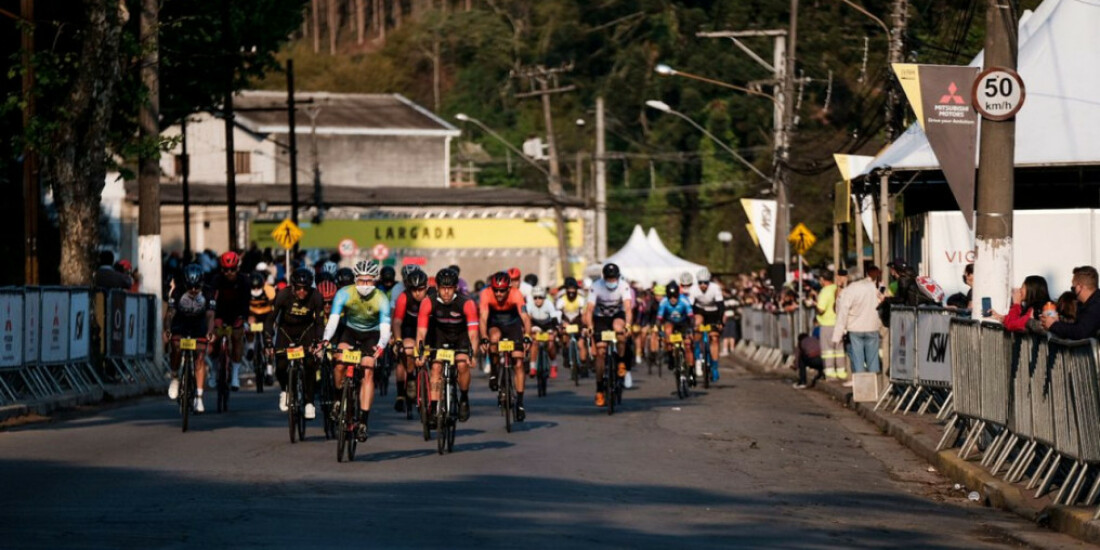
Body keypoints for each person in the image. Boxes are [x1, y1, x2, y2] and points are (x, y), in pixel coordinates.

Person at [322, 260, 392, 442]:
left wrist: (381, 346)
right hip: (350, 332)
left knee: (368, 369)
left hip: (372, 334)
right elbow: (333, 321)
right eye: (361, 280)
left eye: (369, 281)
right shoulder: (344, 293)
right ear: (355, 280)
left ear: (375, 281)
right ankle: (338, 399)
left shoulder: (381, 298)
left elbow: (385, 328)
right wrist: (325, 339)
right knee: (339, 361)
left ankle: (363, 422)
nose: (365, 285)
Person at [417, 268, 480, 422]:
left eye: (450, 288)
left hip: (461, 336)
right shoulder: (428, 302)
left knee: (462, 365)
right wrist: (420, 353)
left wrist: (473, 354)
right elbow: (421, 332)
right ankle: (434, 407)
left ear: (456, 288)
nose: (446, 292)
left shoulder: (467, 303)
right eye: (443, 288)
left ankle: (463, 397)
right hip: (439, 336)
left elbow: (473, 334)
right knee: (436, 368)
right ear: (437, 288)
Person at [264, 268, 326, 420]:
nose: (302, 292)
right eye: (298, 288)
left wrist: (318, 341)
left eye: (305, 288)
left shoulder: (316, 296)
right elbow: (270, 319)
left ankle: (309, 403)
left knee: (310, 364)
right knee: (281, 365)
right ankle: (285, 390)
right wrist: (268, 341)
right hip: (286, 331)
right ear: (293, 286)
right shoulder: (283, 295)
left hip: (306, 331)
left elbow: (319, 322)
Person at [479, 271, 532, 421]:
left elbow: (525, 317)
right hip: (495, 323)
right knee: (493, 339)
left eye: (502, 290)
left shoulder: (516, 294)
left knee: (519, 362)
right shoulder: (486, 294)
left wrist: (527, 336)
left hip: (512, 324)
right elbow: (483, 318)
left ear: (508, 288)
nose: (499, 294)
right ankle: (494, 371)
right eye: (496, 290)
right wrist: (484, 337)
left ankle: (520, 403)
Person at [164, 264, 214, 412]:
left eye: (196, 287)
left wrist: (210, 332)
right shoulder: (178, 291)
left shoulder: (208, 292)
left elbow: (210, 316)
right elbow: (170, 314)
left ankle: (199, 397)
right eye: (190, 287)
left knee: (200, 357)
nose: (193, 290)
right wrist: (167, 329)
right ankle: (174, 377)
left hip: (199, 324)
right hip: (181, 323)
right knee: (176, 346)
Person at [584, 263, 633, 407]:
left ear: (618, 277)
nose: (611, 281)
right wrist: (590, 326)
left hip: (617, 316)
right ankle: (599, 389)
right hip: (600, 318)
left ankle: (621, 361)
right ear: (604, 277)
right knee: (600, 351)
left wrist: (628, 325)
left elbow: (628, 308)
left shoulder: (623, 286)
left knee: (619, 330)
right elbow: (589, 309)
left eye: (614, 278)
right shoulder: (596, 286)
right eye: (608, 278)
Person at [207, 251, 251, 391]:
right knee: (215, 339)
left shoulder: (244, 280)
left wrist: (244, 319)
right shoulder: (216, 280)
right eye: (226, 270)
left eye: (232, 269)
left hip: (237, 313)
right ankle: (214, 369)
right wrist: (212, 317)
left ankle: (235, 374)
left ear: (237, 268)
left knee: (237, 337)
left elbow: (246, 302)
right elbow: (211, 299)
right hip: (220, 313)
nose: (229, 273)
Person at [832, 270, 883, 387]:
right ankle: (873, 387)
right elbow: (881, 298)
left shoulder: (849, 290)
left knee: (858, 359)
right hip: (872, 327)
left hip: (855, 329)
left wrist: (837, 335)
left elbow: (842, 313)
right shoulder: (872, 287)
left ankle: (861, 388)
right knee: (872, 358)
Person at [391, 268, 430, 413]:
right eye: (414, 290)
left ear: (426, 287)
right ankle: (411, 378)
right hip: (409, 329)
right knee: (407, 350)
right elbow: (397, 322)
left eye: (421, 289)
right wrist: (398, 340)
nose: (417, 293)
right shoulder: (403, 297)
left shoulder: (432, 296)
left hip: (429, 329)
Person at [1041, 266, 1100, 339]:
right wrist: (1057, 322)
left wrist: (1053, 325)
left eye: (1073, 288)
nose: (1072, 291)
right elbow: (1076, 327)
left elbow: (1080, 332)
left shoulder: (1096, 306)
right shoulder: (1088, 305)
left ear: (1080, 287)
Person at [688, 268, 724, 381]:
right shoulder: (693, 289)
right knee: (697, 326)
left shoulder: (715, 288)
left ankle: (714, 366)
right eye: (700, 283)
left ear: (709, 282)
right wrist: (691, 323)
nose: (703, 285)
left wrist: (720, 321)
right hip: (700, 310)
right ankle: (697, 354)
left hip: (713, 312)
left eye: (705, 283)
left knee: (714, 338)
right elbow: (690, 307)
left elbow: (721, 306)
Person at [814, 271, 846, 381]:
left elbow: (821, 309)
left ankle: (830, 373)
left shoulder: (824, 292)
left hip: (827, 324)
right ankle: (841, 372)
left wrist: (815, 305)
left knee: (828, 351)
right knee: (839, 350)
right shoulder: (836, 288)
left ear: (822, 279)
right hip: (839, 323)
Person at [247, 271, 277, 386]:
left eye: (258, 287)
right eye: (253, 287)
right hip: (253, 314)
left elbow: (275, 305)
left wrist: (273, 321)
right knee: (249, 327)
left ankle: (269, 372)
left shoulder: (269, 290)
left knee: (268, 342)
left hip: (267, 315)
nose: (255, 289)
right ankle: (250, 347)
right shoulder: (246, 290)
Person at [656, 281, 694, 371]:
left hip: (683, 322)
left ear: (678, 295)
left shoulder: (684, 300)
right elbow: (659, 318)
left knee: (688, 345)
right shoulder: (664, 302)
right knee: (667, 332)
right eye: (670, 296)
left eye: (675, 296)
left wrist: (691, 329)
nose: (673, 299)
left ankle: (691, 369)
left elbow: (691, 317)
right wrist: (659, 331)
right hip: (670, 322)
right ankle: (670, 356)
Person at [526, 286, 561, 379]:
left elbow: (554, 318)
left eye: (540, 297)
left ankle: (554, 364)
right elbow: (526, 319)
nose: (538, 300)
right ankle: (533, 367)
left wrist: (555, 330)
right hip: (535, 324)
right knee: (534, 342)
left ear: (544, 298)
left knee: (551, 343)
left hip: (548, 325)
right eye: (535, 298)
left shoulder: (548, 304)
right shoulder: (529, 304)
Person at [556, 277, 588, 367]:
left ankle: (583, 364)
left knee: (581, 344)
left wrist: (584, 326)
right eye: (569, 289)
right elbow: (558, 313)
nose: (571, 292)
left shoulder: (581, 299)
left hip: (578, 322)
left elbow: (583, 314)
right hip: (566, 321)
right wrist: (559, 325)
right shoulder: (561, 299)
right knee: (564, 335)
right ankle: (566, 351)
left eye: (573, 289)